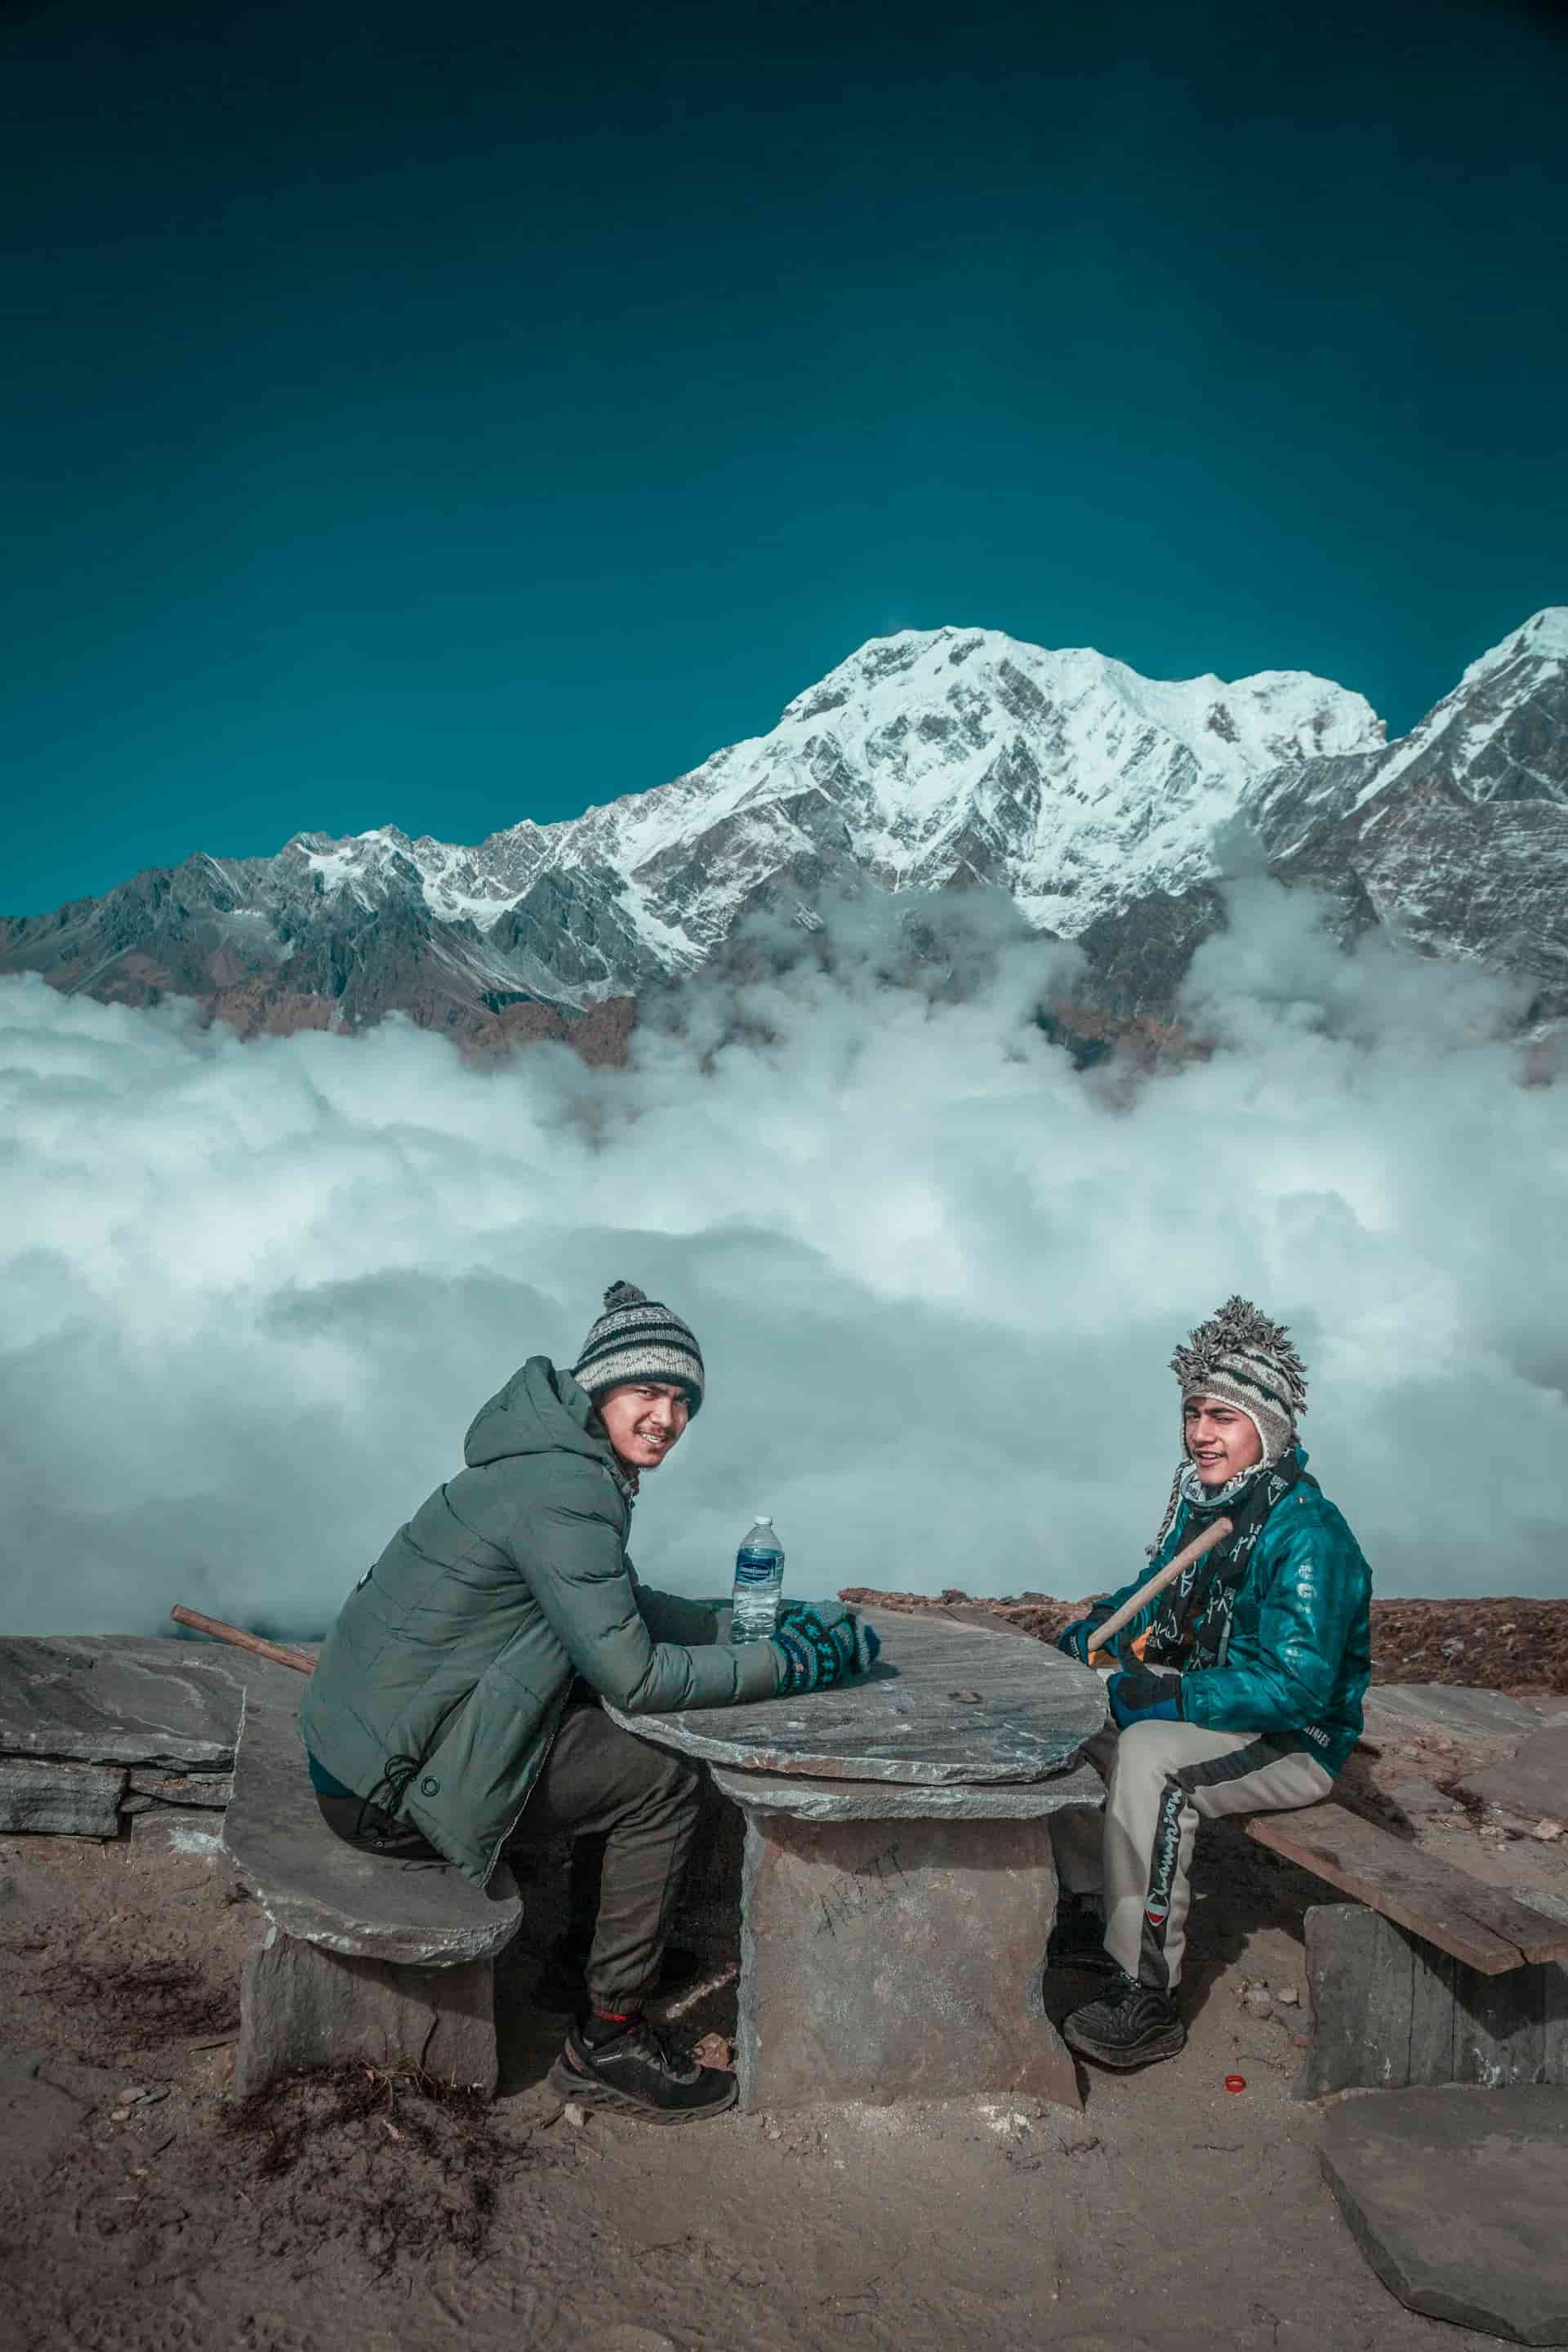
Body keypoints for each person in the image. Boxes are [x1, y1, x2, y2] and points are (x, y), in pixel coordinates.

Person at [298, 1280, 877, 2123]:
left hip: (366, 1748)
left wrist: (755, 1626)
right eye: (648, 1391)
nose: (668, 1418)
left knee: (613, 1735)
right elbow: (635, 1677)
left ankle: (586, 1955)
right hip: (388, 1791)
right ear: (600, 1386)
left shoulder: (552, 1464)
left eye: (683, 1400)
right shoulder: (569, 1489)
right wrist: (791, 1666)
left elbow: (621, 1606)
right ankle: (607, 2036)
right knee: (666, 1771)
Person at [1047, 1297, 1370, 2070]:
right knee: (1072, 1711)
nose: (1199, 1433)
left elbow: (1296, 1685)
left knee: (1152, 1758)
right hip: (1226, 1701)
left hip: (1297, 1738)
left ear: (1269, 1429)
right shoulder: (1210, 1509)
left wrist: (1176, 1700)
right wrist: (1096, 1633)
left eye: (1223, 1416)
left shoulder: (1308, 1536)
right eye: (1193, 1412)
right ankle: (1094, 1911)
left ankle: (1144, 1992)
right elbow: (1148, 1595)